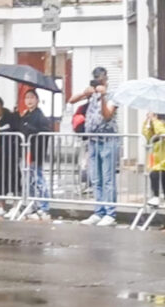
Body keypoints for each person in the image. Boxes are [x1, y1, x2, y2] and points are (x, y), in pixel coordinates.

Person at [68, 66, 119, 226]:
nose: (99, 81)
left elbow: (107, 115)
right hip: (93, 140)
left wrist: (103, 97)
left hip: (107, 140)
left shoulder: (113, 95)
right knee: (96, 178)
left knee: (108, 178)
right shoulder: (91, 95)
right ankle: (99, 211)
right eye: (96, 78)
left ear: (106, 79)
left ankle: (110, 213)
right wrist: (86, 93)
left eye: (101, 78)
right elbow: (71, 100)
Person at [18, 89, 53, 221]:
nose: (29, 100)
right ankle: (34, 205)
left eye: (32, 97)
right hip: (26, 152)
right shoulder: (26, 115)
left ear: (37, 100)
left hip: (35, 152)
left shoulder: (40, 116)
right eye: (27, 98)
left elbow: (45, 131)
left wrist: (30, 129)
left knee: (38, 180)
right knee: (29, 181)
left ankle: (44, 207)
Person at [142, 112, 165, 208]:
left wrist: (155, 121)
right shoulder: (155, 121)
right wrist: (148, 122)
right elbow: (147, 135)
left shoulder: (159, 123)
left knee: (163, 175)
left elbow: (161, 132)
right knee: (154, 174)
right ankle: (156, 196)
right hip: (156, 155)